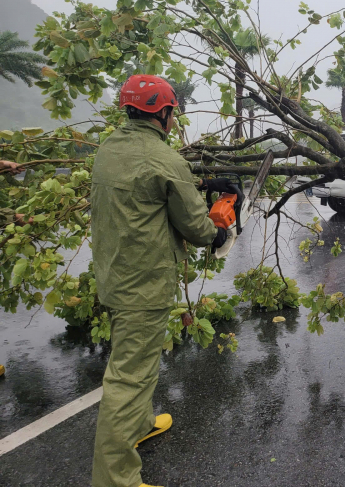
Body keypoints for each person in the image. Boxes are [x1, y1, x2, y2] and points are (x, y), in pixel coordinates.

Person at [91, 75, 234, 487]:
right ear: (165, 113)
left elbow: (147, 184)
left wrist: (204, 184)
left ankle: (139, 427)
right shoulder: (164, 159)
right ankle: (116, 480)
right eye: (173, 112)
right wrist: (218, 233)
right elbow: (194, 225)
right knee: (129, 377)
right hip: (144, 284)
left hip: (116, 275)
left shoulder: (110, 149)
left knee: (138, 363)